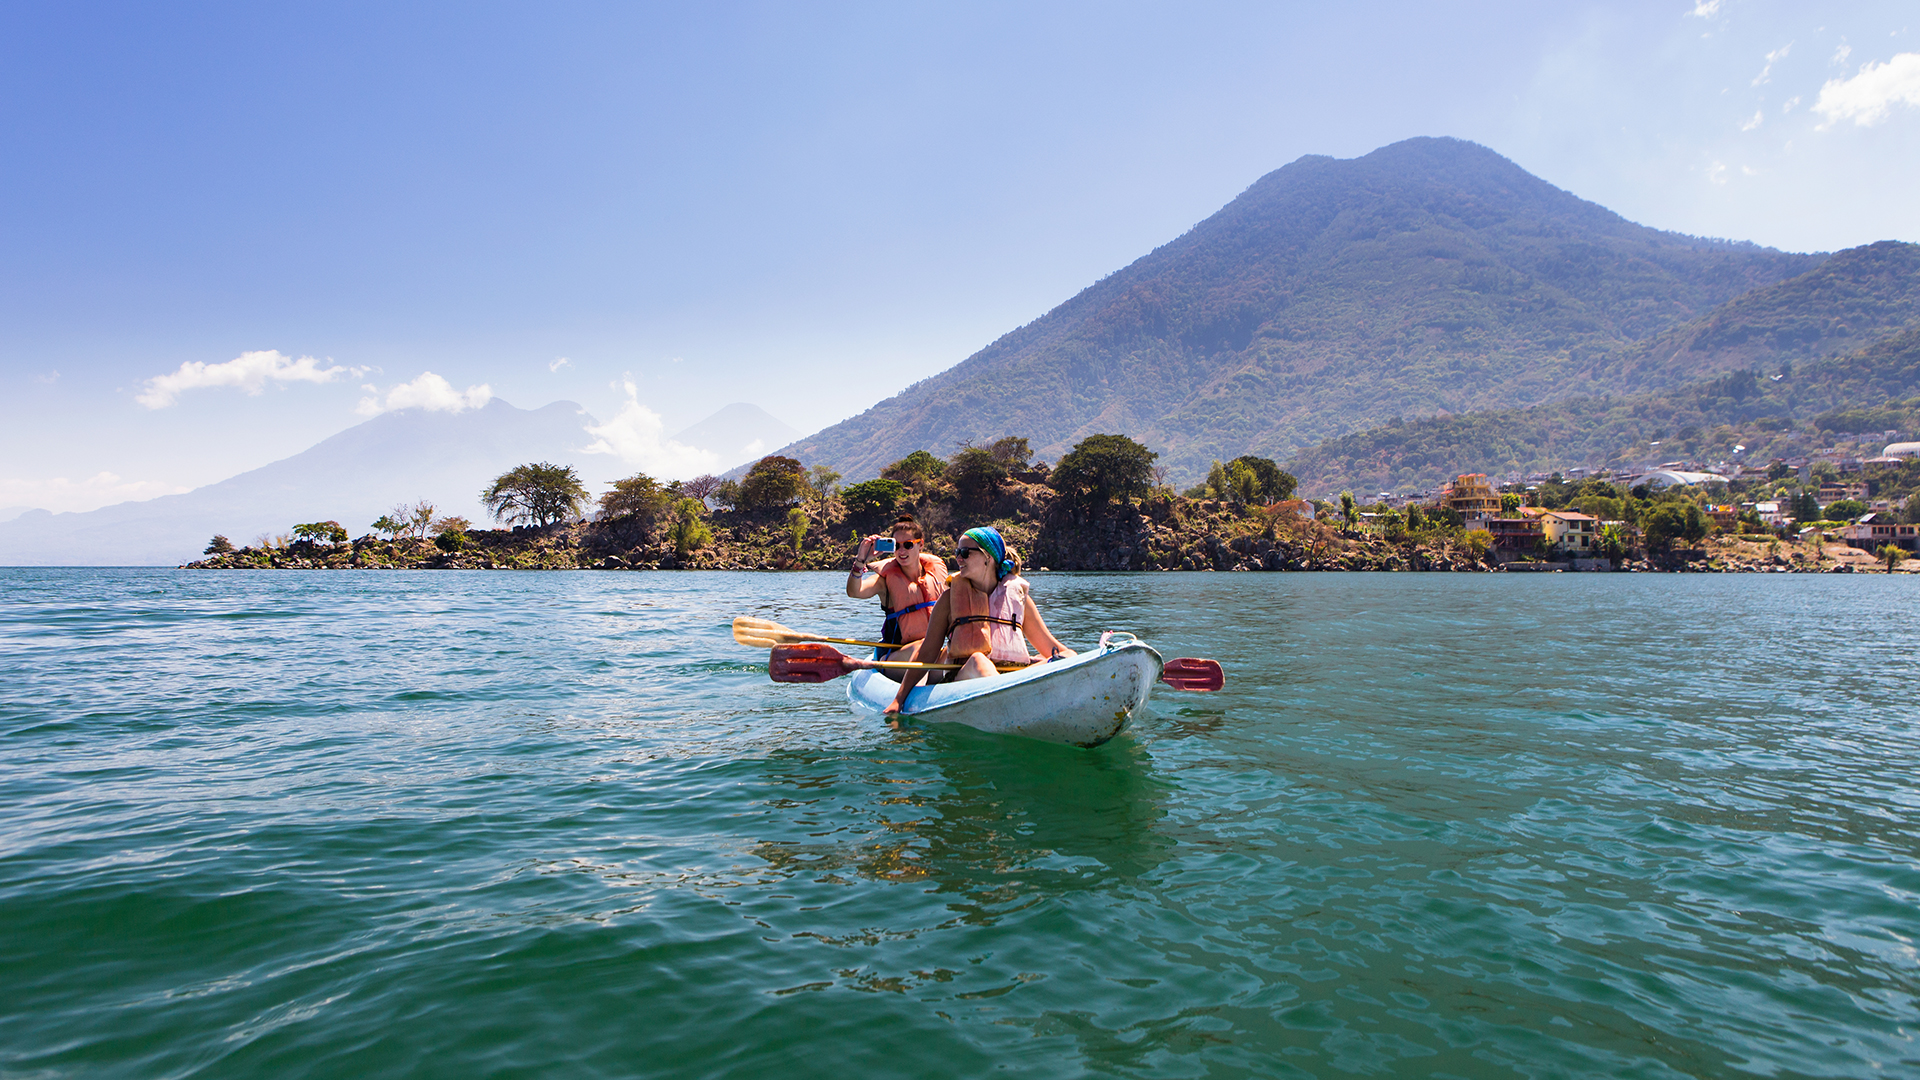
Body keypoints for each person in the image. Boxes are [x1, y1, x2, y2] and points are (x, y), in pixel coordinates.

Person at [882, 525, 1074, 717]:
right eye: (957, 552)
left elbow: (1052, 648)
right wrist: (899, 700)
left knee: (1066, 656)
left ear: (987, 558)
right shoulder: (949, 600)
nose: (958, 558)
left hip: (1009, 678)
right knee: (977, 660)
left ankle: (1020, 703)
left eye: (965, 553)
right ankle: (1013, 706)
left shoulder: (1019, 599)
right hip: (960, 678)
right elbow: (926, 653)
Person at [847, 513, 947, 661]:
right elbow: (854, 592)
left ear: (921, 544)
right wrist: (861, 560)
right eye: (897, 546)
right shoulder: (883, 581)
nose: (901, 551)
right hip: (894, 656)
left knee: (952, 652)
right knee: (921, 647)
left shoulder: (936, 576)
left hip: (930, 653)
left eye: (908, 545)